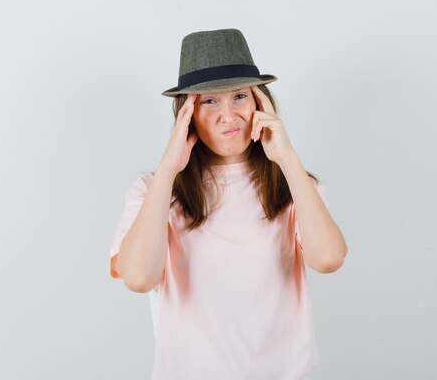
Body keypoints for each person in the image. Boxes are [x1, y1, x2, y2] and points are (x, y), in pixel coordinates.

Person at [109, 28, 348, 380]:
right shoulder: (153, 190)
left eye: (239, 96)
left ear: (261, 102)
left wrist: (287, 158)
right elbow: (139, 278)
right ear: (185, 114)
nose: (228, 115)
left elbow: (328, 259)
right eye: (210, 101)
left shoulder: (294, 184)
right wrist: (168, 169)